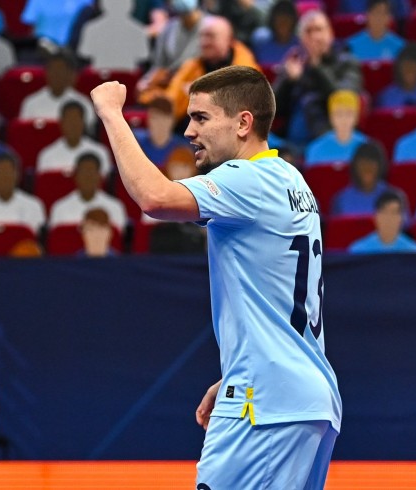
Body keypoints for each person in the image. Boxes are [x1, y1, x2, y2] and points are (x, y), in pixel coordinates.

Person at [91, 65, 341, 488]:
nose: (188, 131)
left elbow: (155, 197)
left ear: (244, 123)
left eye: (201, 118)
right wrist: (236, 372)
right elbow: (278, 299)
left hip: (264, 405)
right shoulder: (291, 179)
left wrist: (112, 115)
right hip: (307, 399)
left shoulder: (247, 179)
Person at [273, 9, 362, 148]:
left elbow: (343, 99)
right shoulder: (295, 62)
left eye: (319, 30)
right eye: (309, 31)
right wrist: (288, 81)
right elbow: (272, 108)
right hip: (291, 144)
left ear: (330, 34)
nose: (314, 36)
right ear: (301, 38)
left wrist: (316, 66)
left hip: (331, 139)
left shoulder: (347, 62)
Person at [161, 15, 261, 120]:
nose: (204, 42)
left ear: (229, 40)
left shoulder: (247, 70)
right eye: (202, 36)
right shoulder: (191, 66)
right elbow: (169, 103)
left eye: (211, 36)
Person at [19, 50, 97, 130]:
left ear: (69, 74)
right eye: (52, 70)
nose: (55, 75)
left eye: (60, 71)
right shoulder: (30, 103)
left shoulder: (84, 104)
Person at [47, 152, 127, 230]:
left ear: (99, 177)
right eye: (83, 172)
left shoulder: (115, 208)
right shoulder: (60, 208)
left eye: (91, 172)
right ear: (76, 176)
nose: (87, 177)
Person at [36, 100, 113, 176]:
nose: (72, 125)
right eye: (69, 120)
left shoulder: (100, 152)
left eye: (76, 119)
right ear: (61, 123)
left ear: (83, 123)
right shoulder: (47, 155)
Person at [332, 140, 408, 217]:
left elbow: (404, 227)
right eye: (363, 165)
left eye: (372, 165)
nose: (367, 169)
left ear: (380, 167)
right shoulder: (341, 199)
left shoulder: (396, 199)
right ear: (355, 167)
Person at [304, 89, 369, 168]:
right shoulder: (315, 149)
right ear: (331, 117)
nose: (344, 120)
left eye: (349, 114)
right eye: (339, 114)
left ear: (357, 117)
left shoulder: (366, 147)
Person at [348, 190, 416, 253]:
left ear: (402, 218)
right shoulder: (358, 250)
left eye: (394, 213)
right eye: (384, 212)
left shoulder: (414, 251)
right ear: (376, 217)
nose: (389, 218)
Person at [134, 96, 191, 166]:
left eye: (164, 118)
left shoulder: (183, 148)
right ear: (148, 120)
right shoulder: (135, 141)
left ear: (173, 121)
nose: (159, 123)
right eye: (155, 117)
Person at [375, 43, 416, 109]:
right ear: (398, 68)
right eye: (405, 66)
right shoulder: (385, 97)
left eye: (414, 66)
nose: (409, 70)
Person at [250, 0, 300, 65]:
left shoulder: (299, 46)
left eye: (286, 21)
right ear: (272, 20)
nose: (283, 24)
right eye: (279, 20)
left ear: (294, 22)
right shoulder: (259, 39)